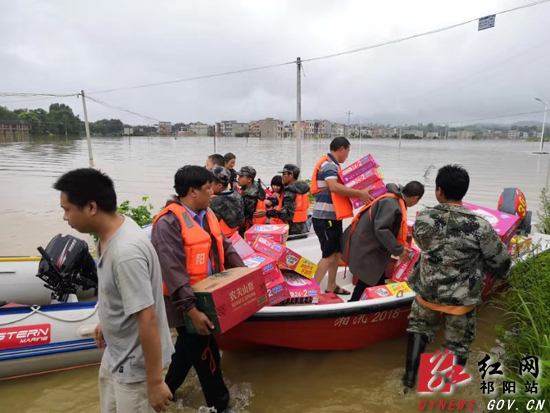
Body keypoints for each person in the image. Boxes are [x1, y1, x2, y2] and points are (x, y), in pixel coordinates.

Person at [53, 168, 174, 413]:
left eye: (67, 209)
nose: (65, 217)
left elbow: (148, 318)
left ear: (91, 207)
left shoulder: (125, 253)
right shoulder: (110, 232)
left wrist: (155, 382)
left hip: (136, 367)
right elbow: (118, 291)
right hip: (116, 354)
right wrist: (106, 321)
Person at [402, 165, 511, 391]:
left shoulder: (424, 217)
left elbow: (422, 244)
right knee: (457, 345)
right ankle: (443, 392)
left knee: (419, 329)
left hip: (427, 293)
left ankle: (408, 382)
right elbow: (499, 261)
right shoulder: (480, 226)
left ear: (438, 191)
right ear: (464, 191)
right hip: (459, 300)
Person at [151, 165, 245, 412]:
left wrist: (246, 275)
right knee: (207, 356)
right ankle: (222, 406)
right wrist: (192, 310)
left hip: (209, 298)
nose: (211, 194)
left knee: (186, 350)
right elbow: (172, 272)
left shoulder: (207, 214)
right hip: (185, 304)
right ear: (192, 192)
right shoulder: (168, 223)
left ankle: (164, 394)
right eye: (206, 189)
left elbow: (226, 247)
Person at [341, 182, 425, 302]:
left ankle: (378, 300)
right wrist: (398, 249)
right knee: (369, 276)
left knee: (377, 275)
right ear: (416, 198)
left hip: (370, 241)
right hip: (367, 243)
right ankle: (353, 303)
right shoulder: (392, 203)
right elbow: (382, 229)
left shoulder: (395, 199)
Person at [311, 137, 374, 295]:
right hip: (325, 219)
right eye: (348, 151)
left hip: (333, 218)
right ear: (341, 149)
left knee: (336, 253)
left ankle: (331, 285)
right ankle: (310, 291)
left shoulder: (332, 164)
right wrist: (360, 193)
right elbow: (333, 187)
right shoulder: (329, 164)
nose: (347, 156)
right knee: (328, 255)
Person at [267, 164, 311, 237]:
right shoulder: (302, 189)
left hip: (291, 230)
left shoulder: (289, 191)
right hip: (303, 228)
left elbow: (286, 214)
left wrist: (267, 213)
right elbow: (306, 206)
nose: (282, 176)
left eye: (284, 174)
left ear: (291, 175)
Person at [210, 165, 245, 237]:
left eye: (210, 183)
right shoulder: (237, 194)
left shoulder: (213, 201)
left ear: (219, 185)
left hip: (222, 236)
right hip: (235, 233)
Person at [237, 166, 267, 231]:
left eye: (241, 177)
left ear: (249, 180)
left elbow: (242, 216)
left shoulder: (250, 196)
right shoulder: (257, 186)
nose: (238, 178)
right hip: (259, 226)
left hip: (249, 228)